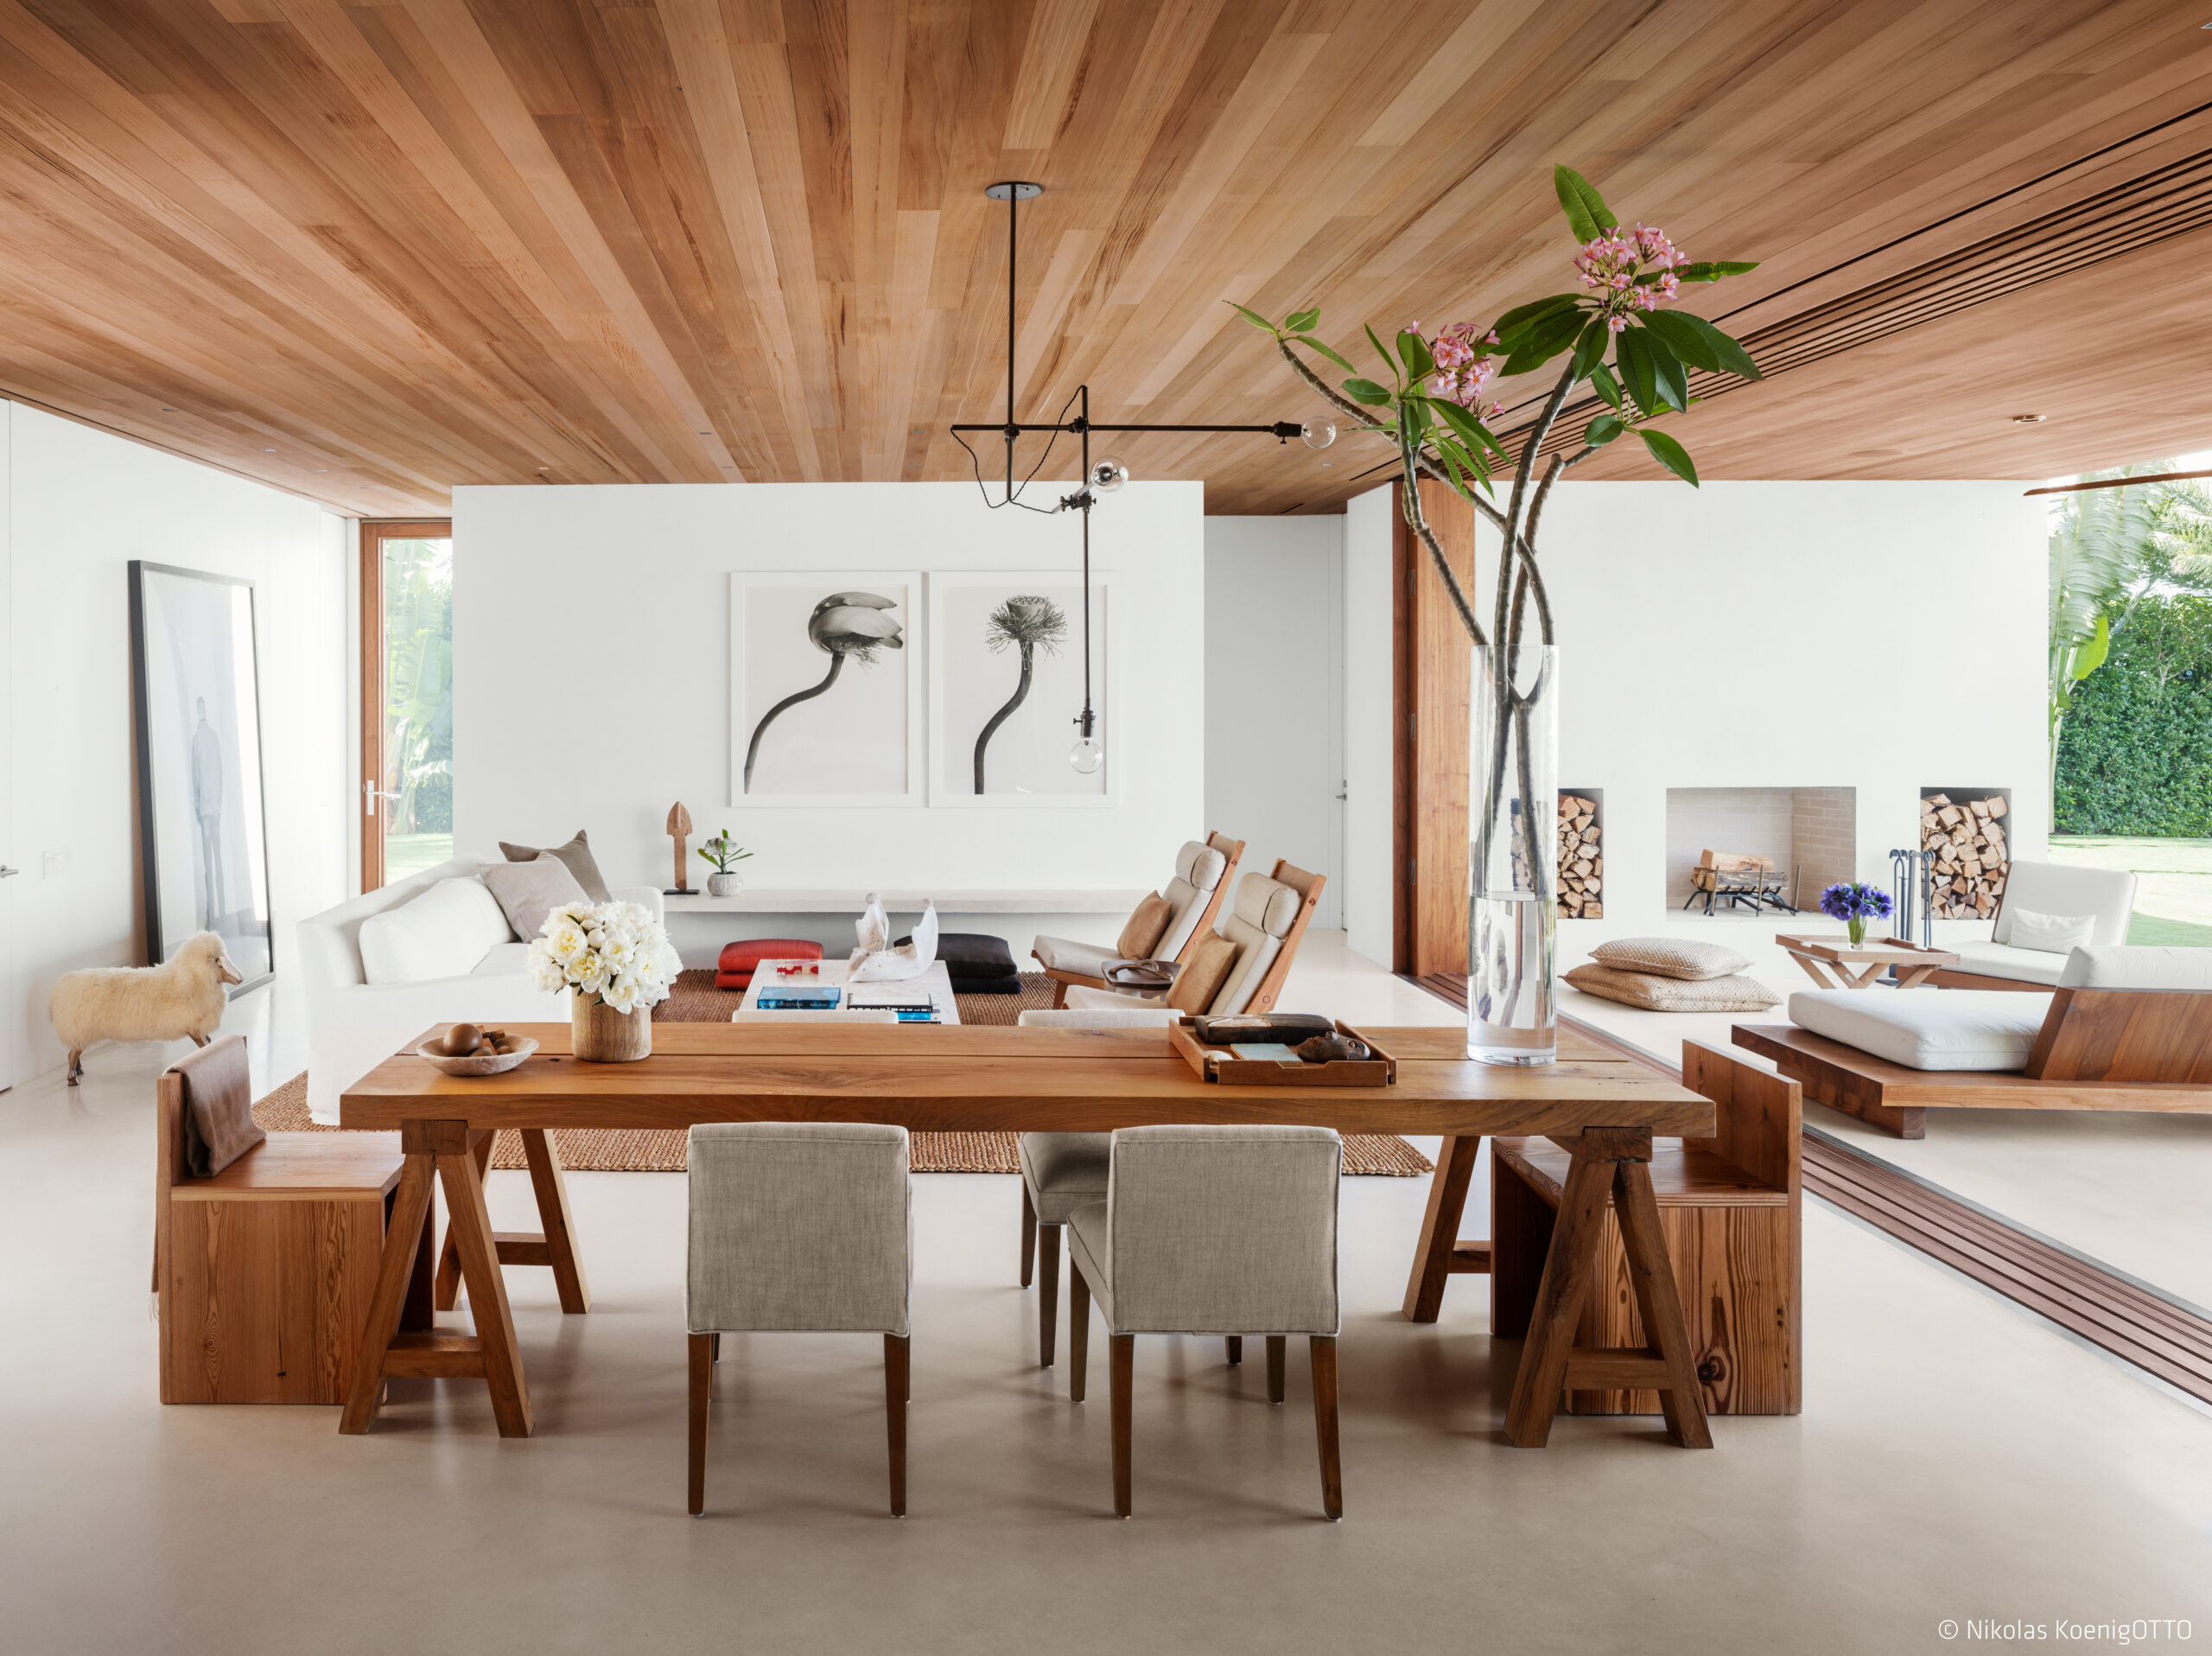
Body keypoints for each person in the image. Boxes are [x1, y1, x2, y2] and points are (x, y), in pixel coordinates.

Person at [191, 697, 225, 929]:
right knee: (218, 860)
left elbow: (196, 778)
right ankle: (221, 913)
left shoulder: (197, 740)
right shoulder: (213, 737)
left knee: (208, 865)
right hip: (216, 808)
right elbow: (221, 773)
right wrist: (220, 802)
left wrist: (196, 806)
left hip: (205, 809)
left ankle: (212, 916)